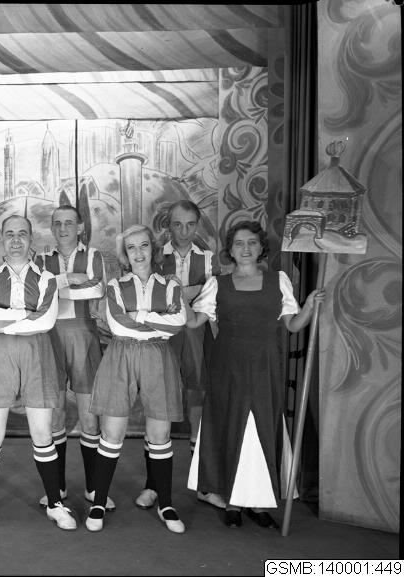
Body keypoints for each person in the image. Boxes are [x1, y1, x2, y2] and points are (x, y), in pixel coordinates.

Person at [186, 220, 325, 529]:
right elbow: (195, 323)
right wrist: (175, 299)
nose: (245, 248)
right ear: (230, 250)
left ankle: (258, 503)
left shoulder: (279, 280)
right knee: (231, 427)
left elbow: (292, 325)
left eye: (251, 242)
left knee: (260, 429)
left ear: (262, 246)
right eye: (239, 243)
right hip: (227, 368)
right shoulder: (216, 284)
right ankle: (232, 502)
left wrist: (310, 307)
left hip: (264, 367)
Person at [0, 215, 76, 531]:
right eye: (10, 234)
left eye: (22, 233)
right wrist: (26, 316)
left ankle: (55, 503)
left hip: (37, 353)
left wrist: (8, 317)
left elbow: (46, 322)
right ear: (2, 240)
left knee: (42, 434)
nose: (16, 240)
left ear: (31, 238)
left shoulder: (47, 278)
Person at [84, 224, 186, 534]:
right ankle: (99, 501)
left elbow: (178, 323)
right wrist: (155, 318)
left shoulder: (170, 284)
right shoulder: (115, 286)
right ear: (125, 255)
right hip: (121, 355)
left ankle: (165, 502)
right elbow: (119, 327)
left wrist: (138, 315)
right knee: (111, 434)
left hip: (158, 356)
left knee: (160, 434)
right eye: (132, 248)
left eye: (144, 246)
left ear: (153, 250)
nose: (139, 252)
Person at [139, 200, 225, 511]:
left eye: (190, 224)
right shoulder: (156, 256)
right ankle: (152, 485)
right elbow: (153, 295)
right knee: (157, 404)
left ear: (198, 224)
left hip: (198, 335)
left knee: (197, 405)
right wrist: (192, 291)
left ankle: (203, 485)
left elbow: (211, 298)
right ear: (169, 225)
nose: (184, 230)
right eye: (178, 224)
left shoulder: (208, 257)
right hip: (163, 338)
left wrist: (181, 291)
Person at [34, 205, 114, 512]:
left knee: (88, 417)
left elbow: (97, 289)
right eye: (57, 224)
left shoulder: (94, 256)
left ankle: (95, 489)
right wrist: (71, 279)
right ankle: (58, 487)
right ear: (52, 228)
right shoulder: (41, 259)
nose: (63, 228)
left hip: (84, 335)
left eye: (69, 223)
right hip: (49, 336)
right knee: (54, 415)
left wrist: (57, 285)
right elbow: (41, 296)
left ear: (80, 227)